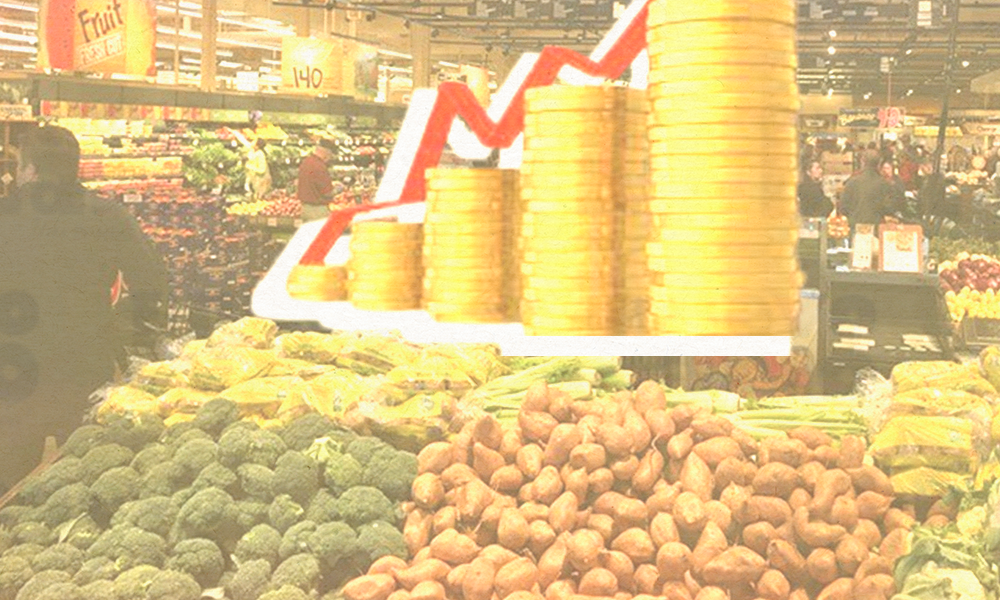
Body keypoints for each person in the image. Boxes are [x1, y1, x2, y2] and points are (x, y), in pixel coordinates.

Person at [0, 126, 168, 491]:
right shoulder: (108, 217)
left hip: (13, 370)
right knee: (83, 474)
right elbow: (151, 282)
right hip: (83, 363)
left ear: (31, 170)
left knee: (10, 479)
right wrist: (129, 341)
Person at [840, 150, 895, 228]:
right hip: (876, 225)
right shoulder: (884, 184)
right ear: (879, 164)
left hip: (855, 226)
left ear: (862, 162)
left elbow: (843, 208)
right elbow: (889, 208)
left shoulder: (852, 182)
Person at [297, 141, 335, 221]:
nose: (329, 159)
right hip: (318, 211)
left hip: (305, 208)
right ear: (326, 153)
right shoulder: (320, 167)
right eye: (330, 156)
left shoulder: (305, 162)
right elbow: (327, 193)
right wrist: (337, 190)